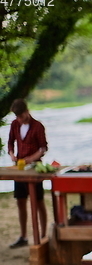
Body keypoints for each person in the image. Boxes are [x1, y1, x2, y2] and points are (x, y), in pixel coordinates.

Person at [7, 99, 48, 249]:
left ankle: (43, 234)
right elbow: (10, 142)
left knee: (38, 201)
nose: (19, 119)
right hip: (20, 168)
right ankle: (23, 236)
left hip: (35, 168)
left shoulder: (38, 126)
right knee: (20, 201)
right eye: (17, 117)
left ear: (27, 111)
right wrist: (11, 154)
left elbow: (43, 148)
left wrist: (32, 158)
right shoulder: (14, 124)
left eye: (21, 116)